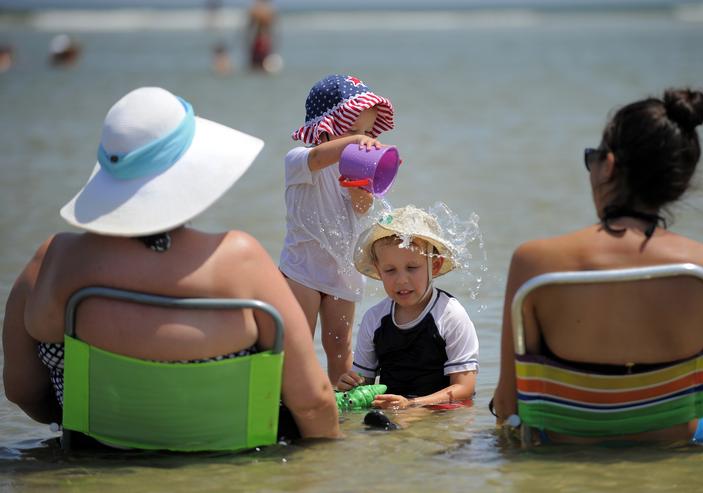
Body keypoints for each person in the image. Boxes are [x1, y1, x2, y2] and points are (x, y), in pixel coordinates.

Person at [2, 87, 340, 440]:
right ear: (189, 173)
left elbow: (22, 391)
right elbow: (313, 402)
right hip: (231, 468)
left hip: (96, 458)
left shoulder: (51, 261)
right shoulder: (241, 261)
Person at [491, 88, 703, 443]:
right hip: (677, 460)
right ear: (678, 180)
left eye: (593, 158)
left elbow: (507, 407)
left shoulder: (533, 263)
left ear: (608, 165)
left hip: (565, 463)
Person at [282, 74, 395, 383]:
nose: (364, 138)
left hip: (341, 271)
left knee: (340, 348)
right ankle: (294, 398)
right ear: (325, 127)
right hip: (301, 270)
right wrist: (356, 143)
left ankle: (341, 405)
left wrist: (362, 188)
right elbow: (319, 157)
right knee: (298, 345)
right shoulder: (300, 160)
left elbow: (362, 208)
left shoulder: (353, 170)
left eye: (368, 131)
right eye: (353, 130)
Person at [336, 206, 479, 410]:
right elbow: (364, 383)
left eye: (412, 268)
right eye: (390, 270)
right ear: (379, 271)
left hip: (438, 410)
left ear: (435, 266)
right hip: (393, 409)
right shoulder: (374, 318)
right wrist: (349, 386)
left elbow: (465, 388)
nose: (402, 280)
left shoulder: (450, 315)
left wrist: (413, 404)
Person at [246, 0, 275, 71]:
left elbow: (249, 29)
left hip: (257, 40)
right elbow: (272, 31)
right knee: (264, 65)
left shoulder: (254, 10)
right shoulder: (270, 10)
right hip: (265, 40)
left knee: (255, 66)